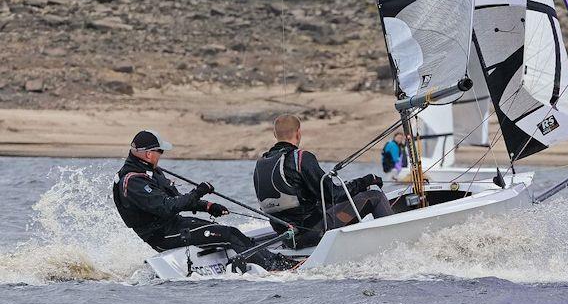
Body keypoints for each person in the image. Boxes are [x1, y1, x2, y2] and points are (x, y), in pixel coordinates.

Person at [113, 129, 292, 272]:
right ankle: (273, 267)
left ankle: (270, 259)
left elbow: (177, 199)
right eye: (160, 151)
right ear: (149, 154)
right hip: (162, 235)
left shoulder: (151, 171)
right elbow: (167, 207)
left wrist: (208, 206)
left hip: (175, 224)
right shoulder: (134, 181)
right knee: (230, 234)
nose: (161, 155)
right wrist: (198, 192)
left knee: (232, 232)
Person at [253, 114, 393, 248]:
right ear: (298, 133)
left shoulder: (261, 164)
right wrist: (367, 181)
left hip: (289, 238)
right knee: (375, 196)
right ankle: (395, 244)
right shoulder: (301, 158)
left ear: (274, 134)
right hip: (312, 233)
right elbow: (334, 195)